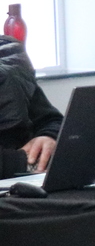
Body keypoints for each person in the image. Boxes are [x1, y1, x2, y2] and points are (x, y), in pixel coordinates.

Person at [0, 36, 61, 177]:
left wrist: (48, 138)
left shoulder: (10, 64)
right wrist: (23, 161)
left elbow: (52, 121)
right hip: (21, 171)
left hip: (30, 178)